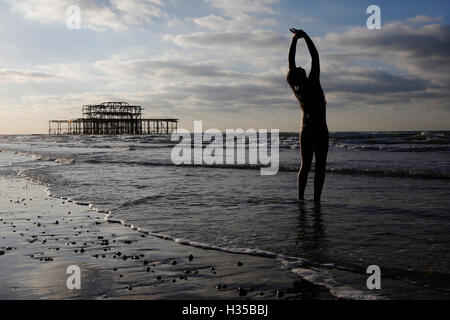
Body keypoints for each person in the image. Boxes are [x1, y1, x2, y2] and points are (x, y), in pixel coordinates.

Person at [287, 28, 329, 202]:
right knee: (320, 167)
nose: (299, 66)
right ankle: (316, 200)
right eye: (299, 68)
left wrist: (295, 40)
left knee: (305, 166)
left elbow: (291, 62)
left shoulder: (297, 87)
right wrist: (305, 37)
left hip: (305, 130)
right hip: (320, 130)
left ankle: (301, 199)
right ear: (301, 74)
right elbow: (315, 56)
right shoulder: (312, 82)